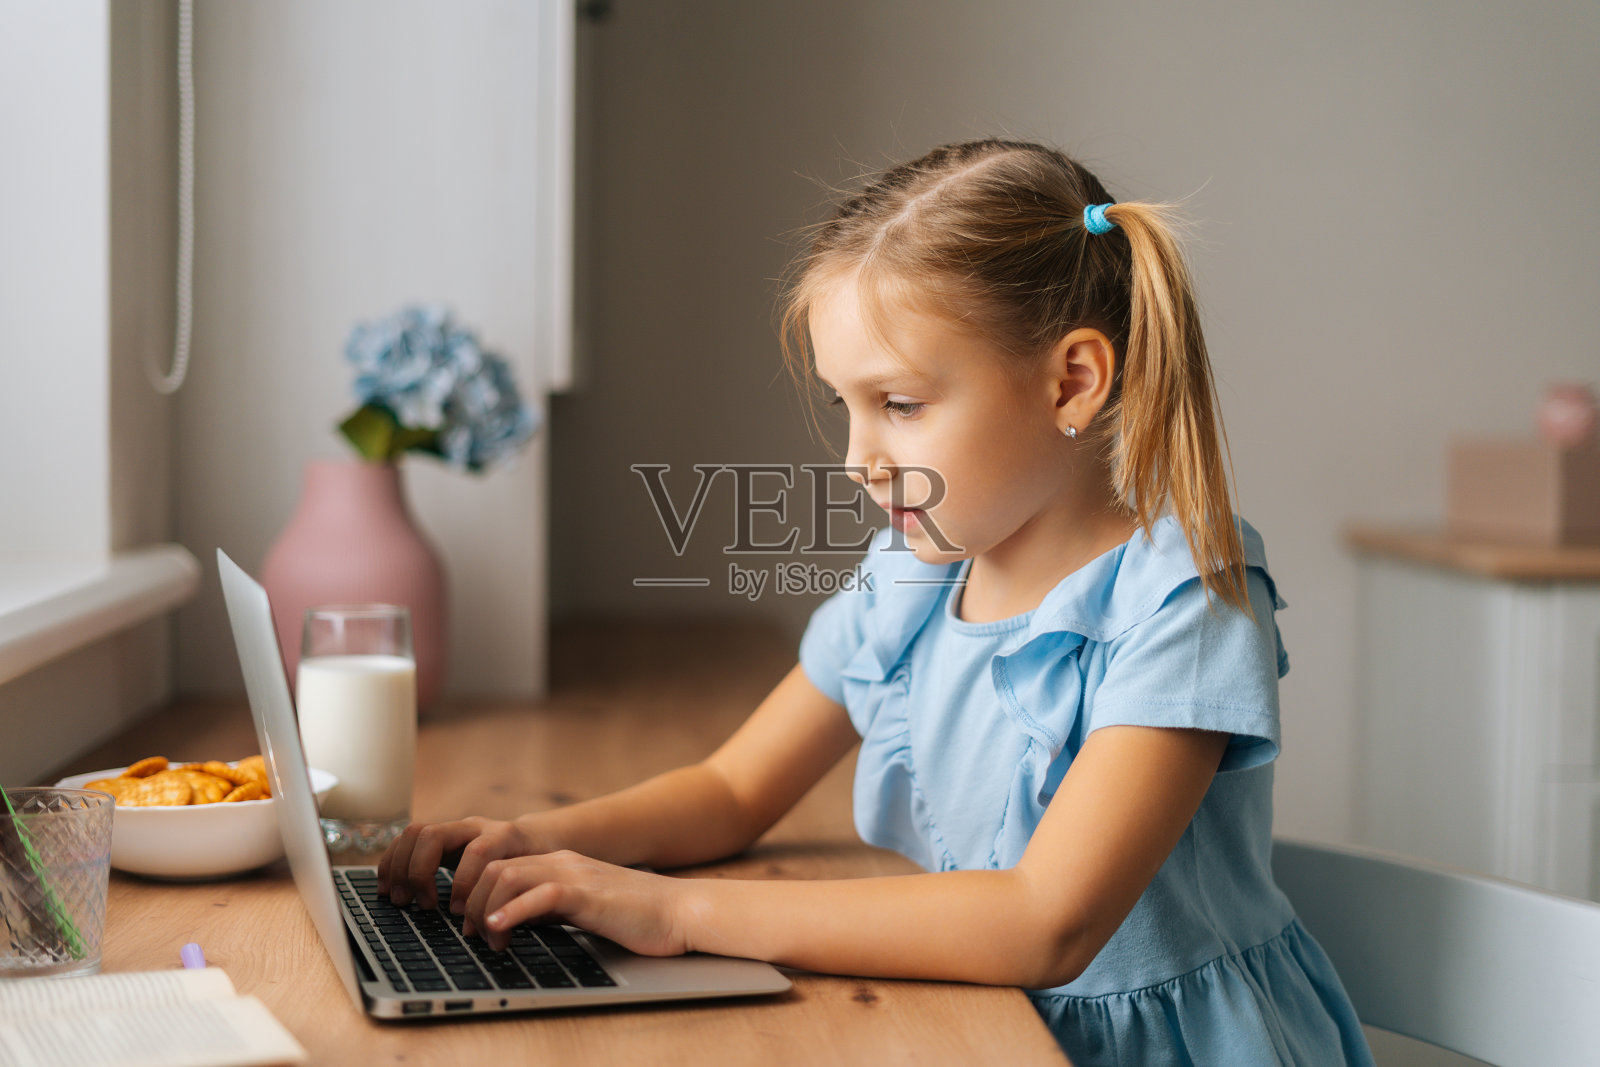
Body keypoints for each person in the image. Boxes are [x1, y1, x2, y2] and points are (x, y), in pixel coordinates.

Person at [377, 139, 1373, 1066]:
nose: (857, 460)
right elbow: (732, 789)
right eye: (845, 404)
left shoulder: (1184, 599)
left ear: (1072, 381)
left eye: (899, 404)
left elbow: (1046, 919)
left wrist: (671, 912)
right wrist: (544, 843)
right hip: (975, 1021)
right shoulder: (914, 573)